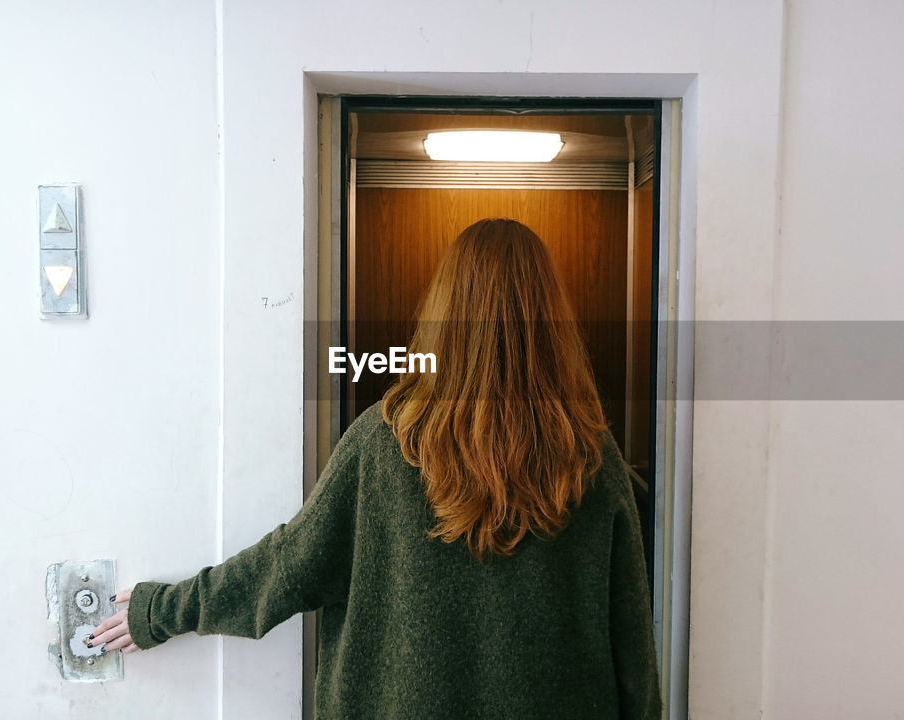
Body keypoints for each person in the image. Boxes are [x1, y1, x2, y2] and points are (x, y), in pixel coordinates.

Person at [88, 218, 662, 719]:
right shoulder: (589, 455)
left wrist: (162, 612)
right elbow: (632, 640)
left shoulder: (384, 443)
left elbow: (287, 567)